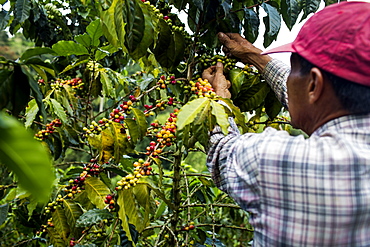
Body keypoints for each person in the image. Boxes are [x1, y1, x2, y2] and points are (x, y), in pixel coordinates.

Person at [203, 2, 370, 246]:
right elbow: (311, 98)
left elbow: (222, 152)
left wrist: (218, 101)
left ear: (314, 84)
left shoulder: (280, 162)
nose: (290, 79)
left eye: (294, 70)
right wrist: (255, 57)